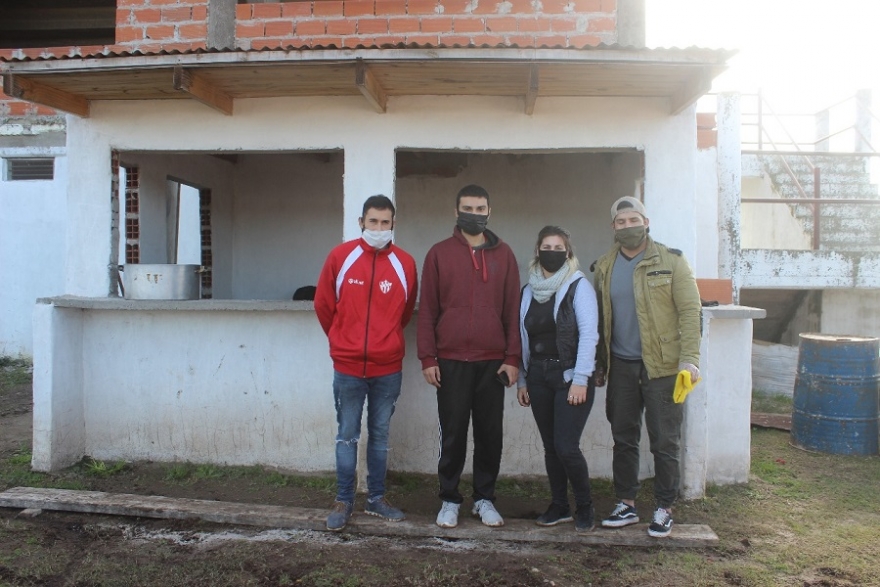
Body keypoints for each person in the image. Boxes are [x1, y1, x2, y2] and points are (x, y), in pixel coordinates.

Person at [592, 196, 702, 538]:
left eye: (634, 219)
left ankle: (664, 507)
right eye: (621, 222)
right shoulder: (603, 267)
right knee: (623, 437)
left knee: (664, 441)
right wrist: (599, 364)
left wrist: (690, 359)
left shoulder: (672, 261)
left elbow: (690, 311)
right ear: (613, 227)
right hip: (622, 367)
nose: (628, 226)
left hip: (664, 368)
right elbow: (599, 320)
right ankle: (626, 503)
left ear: (647, 221)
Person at [417, 184, 521, 529]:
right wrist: (428, 358)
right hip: (450, 361)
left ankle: (484, 499)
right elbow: (428, 311)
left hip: (493, 362)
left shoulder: (504, 255)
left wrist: (512, 357)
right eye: (468, 208)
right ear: (456, 211)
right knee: (454, 432)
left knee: (491, 434)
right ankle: (449, 499)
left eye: (480, 209)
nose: (474, 214)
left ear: (489, 212)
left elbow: (512, 309)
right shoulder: (438, 254)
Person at [314, 194, 418, 532]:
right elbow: (324, 305)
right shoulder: (340, 257)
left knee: (380, 435)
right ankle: (344, 500)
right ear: (361, 222)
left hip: (387, 369)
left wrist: (383, 343)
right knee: (346, 435)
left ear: (393, 225)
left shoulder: (405, 264)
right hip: (347, 368)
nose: (378, 228)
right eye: (372, 221)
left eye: (385, 222)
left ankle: (376, 499)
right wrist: (343, 340)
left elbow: (403, 312)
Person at [516, 225, 600, 532]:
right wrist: (522, 380)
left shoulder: (579, 287)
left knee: (566, 446)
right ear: (537, 251)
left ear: (568, 253)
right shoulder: (528, 291)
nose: (552, 251)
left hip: (570, 377)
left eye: (558, 247)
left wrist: (581, 379)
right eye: (546, 246)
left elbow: (590, 335)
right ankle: (560, 506)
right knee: (551, 446)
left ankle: (585, 506)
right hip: (537, 375)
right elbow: (522, 337)